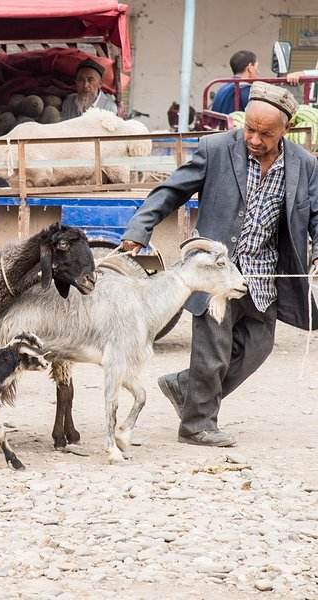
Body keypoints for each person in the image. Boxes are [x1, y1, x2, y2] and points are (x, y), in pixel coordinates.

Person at [120, 82, 318, 448]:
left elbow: (317, 215)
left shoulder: (304, 165)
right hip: (214, 275)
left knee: (257, 347)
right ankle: (197, 424)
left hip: (262, 276)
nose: (255, 139)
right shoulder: (215, 149)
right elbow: (170, 191)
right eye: (250, 130)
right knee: (212, 353)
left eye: (265, 134)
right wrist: (139, 229)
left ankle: (184, 385)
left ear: (285, 131)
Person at [211, 50, 259, 114]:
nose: (258, 72)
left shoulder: (222, 88)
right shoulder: (247, 91)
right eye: (256, 67)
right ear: (250, 68)